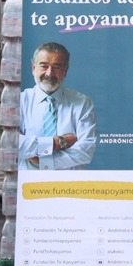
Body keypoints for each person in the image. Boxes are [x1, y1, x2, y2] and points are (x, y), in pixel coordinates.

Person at [17, 42, 96, 170]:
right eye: (44, 66)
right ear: (33, 68)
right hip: (29, 182)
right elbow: (13, 145)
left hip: (70, 185)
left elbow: (85, 151)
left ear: (65, 71)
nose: (49, 73)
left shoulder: (83, 103)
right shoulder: (19, 101)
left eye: (57, 67)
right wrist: (58, 142)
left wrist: (41, 161)